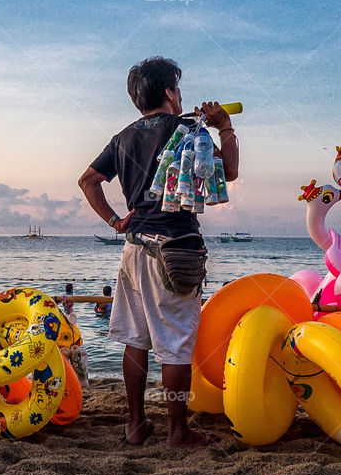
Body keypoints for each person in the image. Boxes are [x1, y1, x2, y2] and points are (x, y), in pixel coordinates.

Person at [78, 56, 239, 448]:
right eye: (178, 89)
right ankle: (177, 431)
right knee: (176, 345)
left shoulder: (122, 138)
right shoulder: (186, 129)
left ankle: (134, 425)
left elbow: (88, 181)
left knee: (136, 339)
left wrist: (116, 221)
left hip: (134, 249)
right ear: (170, 92)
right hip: (174, 251)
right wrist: (226, 128)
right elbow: (229, 172)